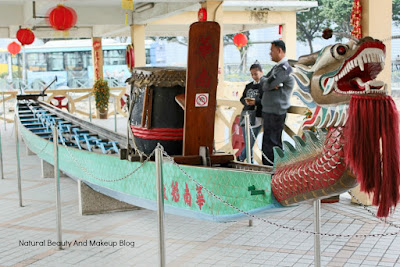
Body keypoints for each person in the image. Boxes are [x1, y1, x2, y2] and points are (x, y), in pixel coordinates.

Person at [261, 40, 294, 166]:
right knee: (267, 142)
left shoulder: (285, 69)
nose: (270, 53)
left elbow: (267, 84)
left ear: (279, 50)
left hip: (276, 111)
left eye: (272, 50)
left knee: (273, 143)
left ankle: (274, 171)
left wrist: (268, 83)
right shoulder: (277, 68)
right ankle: (267, 168)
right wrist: (267, 83)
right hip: (269, 110)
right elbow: (263, 81)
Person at [237, 62, 264, 163]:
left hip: (257, 115)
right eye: (252, 74)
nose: (254, 76)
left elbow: (265, 100)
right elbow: (241, 98)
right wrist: (246, 101)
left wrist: (255, 102)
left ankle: (240, 157)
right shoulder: (248, 86)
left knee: (250, 142)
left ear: (261, 72)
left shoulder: (264, 86)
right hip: (246, 114)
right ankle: (250, 161)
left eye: (256, 74)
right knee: (247, 142)